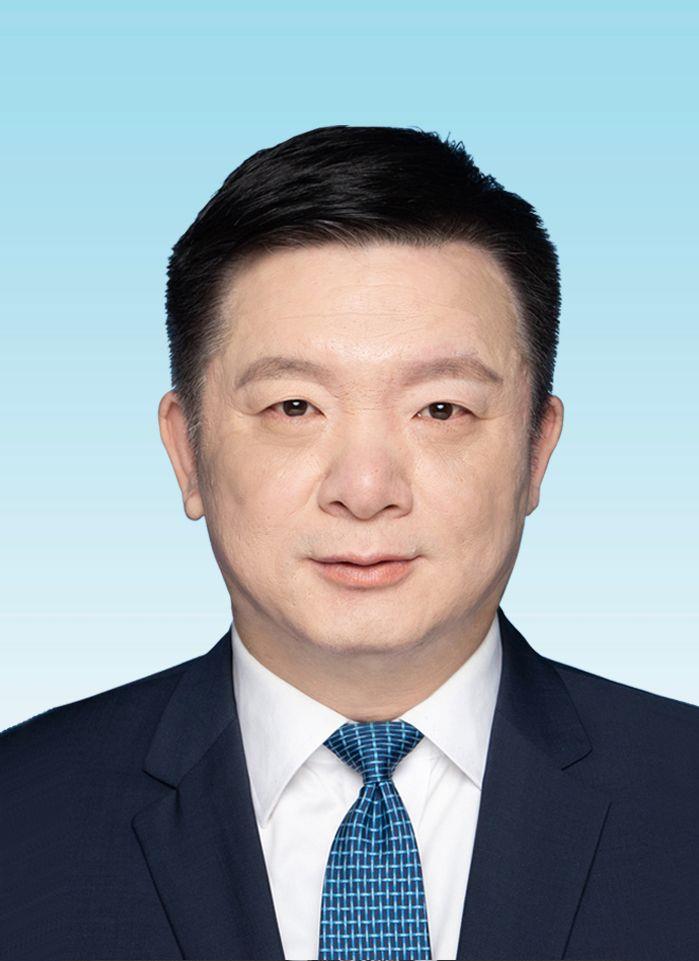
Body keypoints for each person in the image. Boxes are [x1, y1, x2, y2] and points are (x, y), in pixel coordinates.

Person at [1, 125, 697, 961]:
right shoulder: (20, 812)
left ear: (535, 451)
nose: (365, 490)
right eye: (294, 407)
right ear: (186, 452)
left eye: (440, 409)